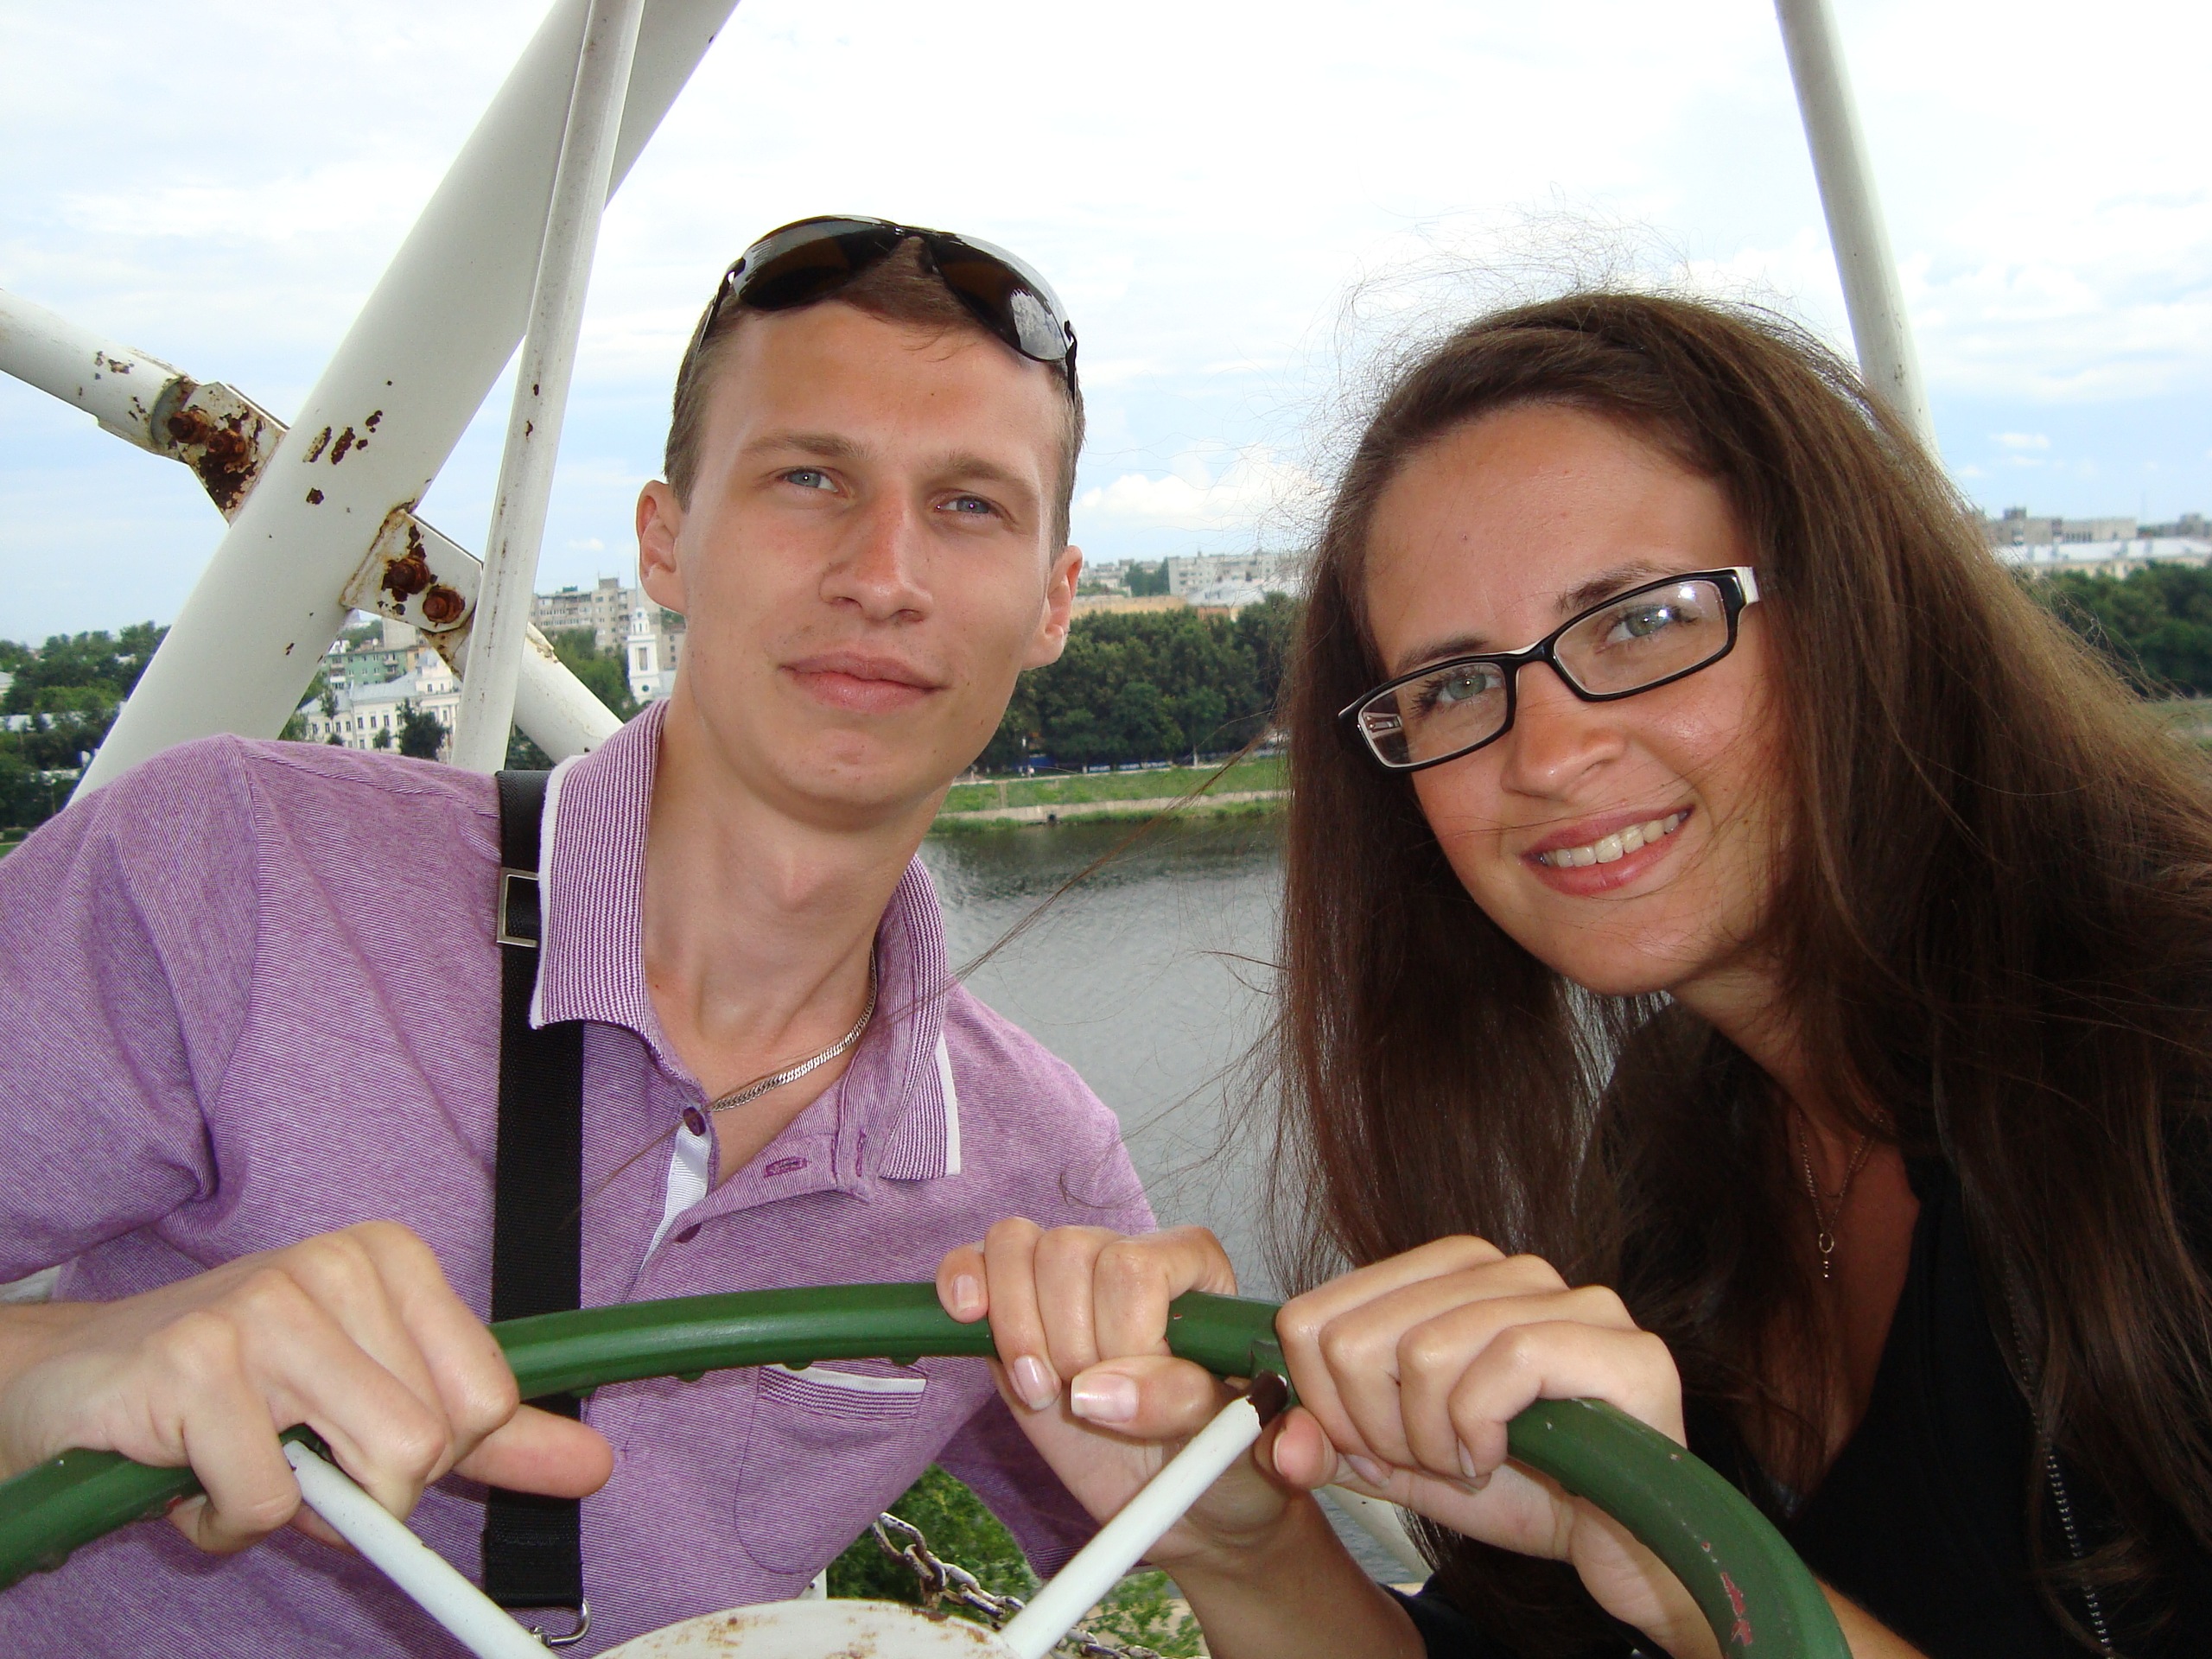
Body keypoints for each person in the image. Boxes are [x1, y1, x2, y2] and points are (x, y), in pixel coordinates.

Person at [941, 293, 2212, 1658]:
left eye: (1641, 621)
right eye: (1453, 686)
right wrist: (1235, 1540)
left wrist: (1694, 1576)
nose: (1545, 755)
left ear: (1860, 606)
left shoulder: (2176, 1081)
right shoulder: (1681, 1144)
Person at [0, 216, 1153, 1656]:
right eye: (810, 478)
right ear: (666, 542)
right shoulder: (232, 870)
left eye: (970, 505)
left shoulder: (1037, 1175)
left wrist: (1251, 1499)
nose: (884, 574)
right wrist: (58, 1369)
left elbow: (1208, 1543)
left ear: (1054, 601)